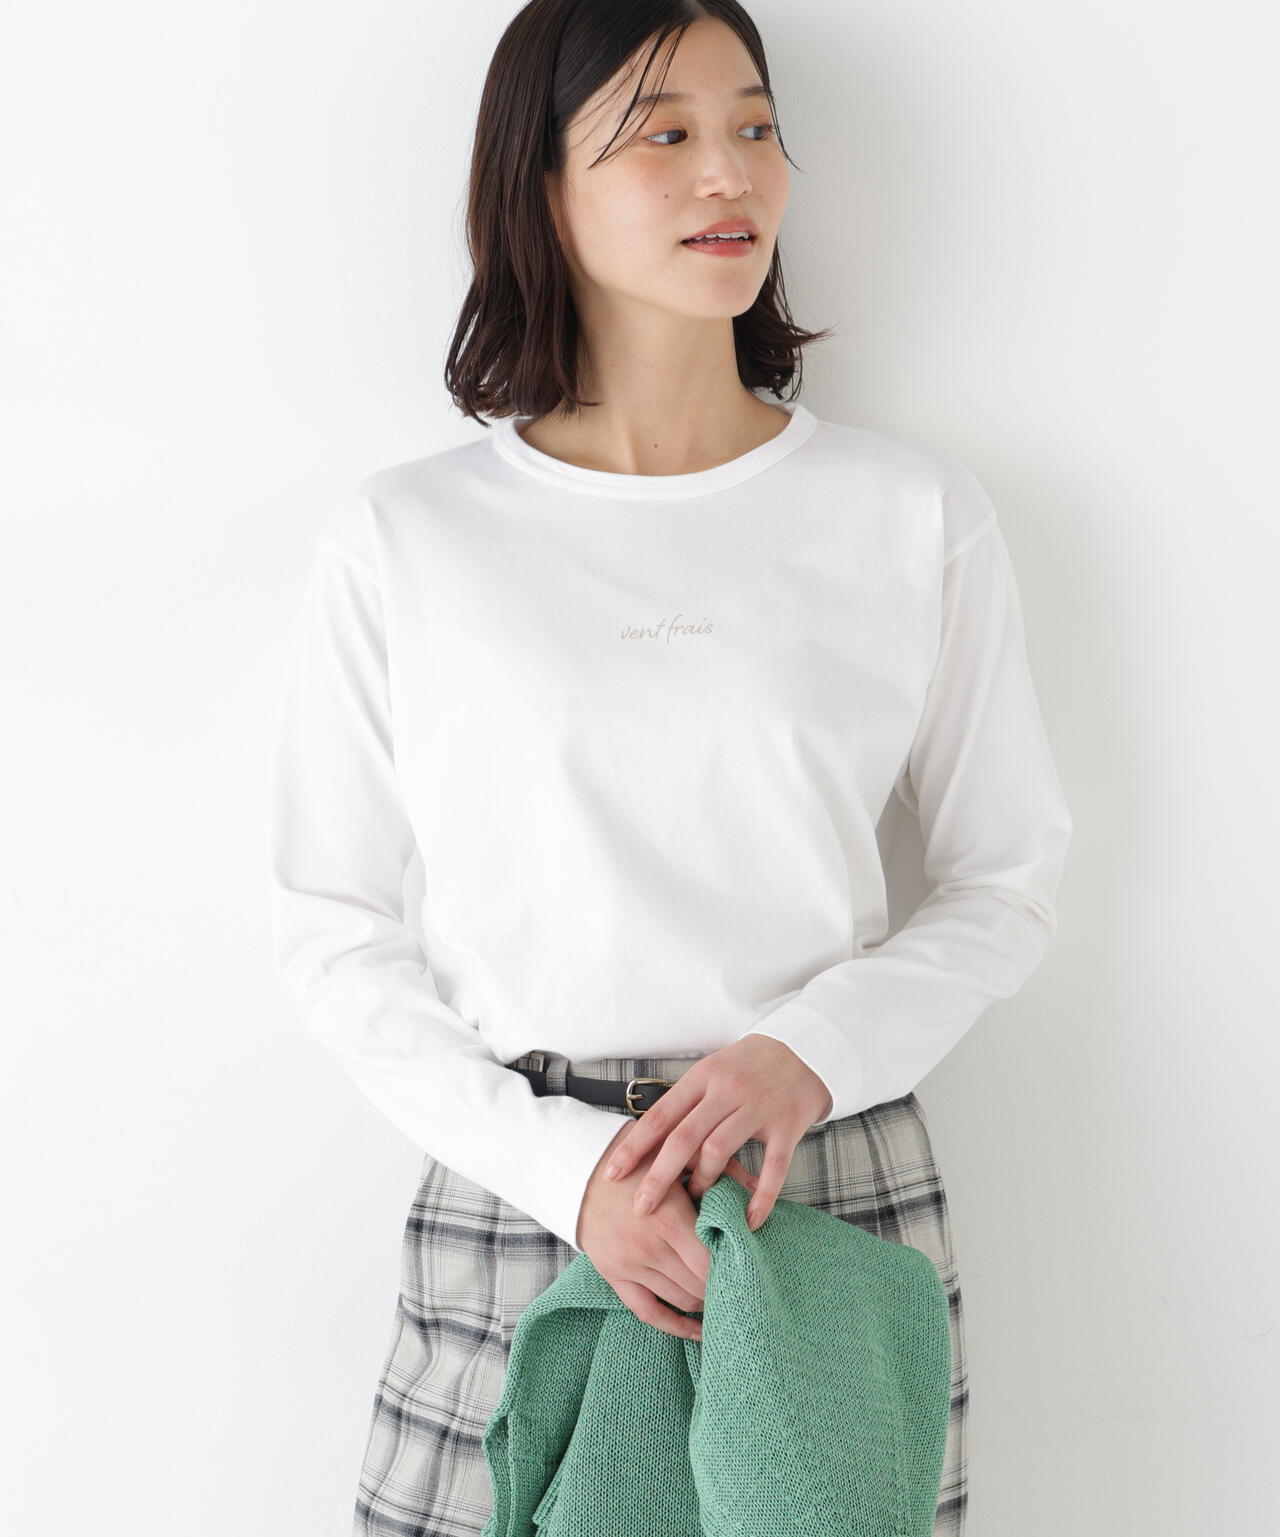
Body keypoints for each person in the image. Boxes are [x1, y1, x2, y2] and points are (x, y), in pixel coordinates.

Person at [266, 3, 1074, 1535]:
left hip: (815, 1172)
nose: (732, 173)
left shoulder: (907, 511)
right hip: (524, 1186)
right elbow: (331, 927)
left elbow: (1009, 874)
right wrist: (570, 1174)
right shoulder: (408, 534)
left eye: (757, 126)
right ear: (540, 186)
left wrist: (810, 1050)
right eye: (667, 133)